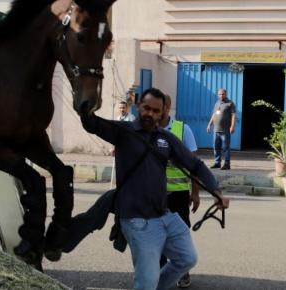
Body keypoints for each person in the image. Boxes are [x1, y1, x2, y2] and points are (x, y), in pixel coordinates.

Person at [80, 87, 229, 290]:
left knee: (187, 258)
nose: (150, 113)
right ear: (139, 106)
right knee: (146, 281)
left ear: (162, 113)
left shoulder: (165, 139)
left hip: (164, 215)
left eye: (155, 110)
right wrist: (84, 102)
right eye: (146, 108)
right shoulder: (123, 132)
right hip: (137, 219)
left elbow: (196, 165)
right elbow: (92, 124)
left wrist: (216, 192)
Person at [159, 94, 199, 288]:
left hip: (179, 193)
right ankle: (159, 272)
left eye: (161, 106)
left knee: (180, 233)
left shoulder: (182, 129)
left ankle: (182, 272)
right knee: (155, 233)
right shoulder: (146, 129)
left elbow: (194, 164)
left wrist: (196, 192)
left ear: (168, 106)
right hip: (153, 195)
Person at [206, 88, 236, 170]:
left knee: (226, 147)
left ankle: (227, 164)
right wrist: (209, 124)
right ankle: (217, 163)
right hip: (216, 130)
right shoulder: (217, 103)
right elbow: (214, 115)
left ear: (226, 94)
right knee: (216, 147)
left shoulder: (230, 103)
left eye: (223, 94)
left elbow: (233, 115)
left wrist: (232, 126)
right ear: (218, 95)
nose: (221, 95)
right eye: (219, 94)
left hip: (225, 130)